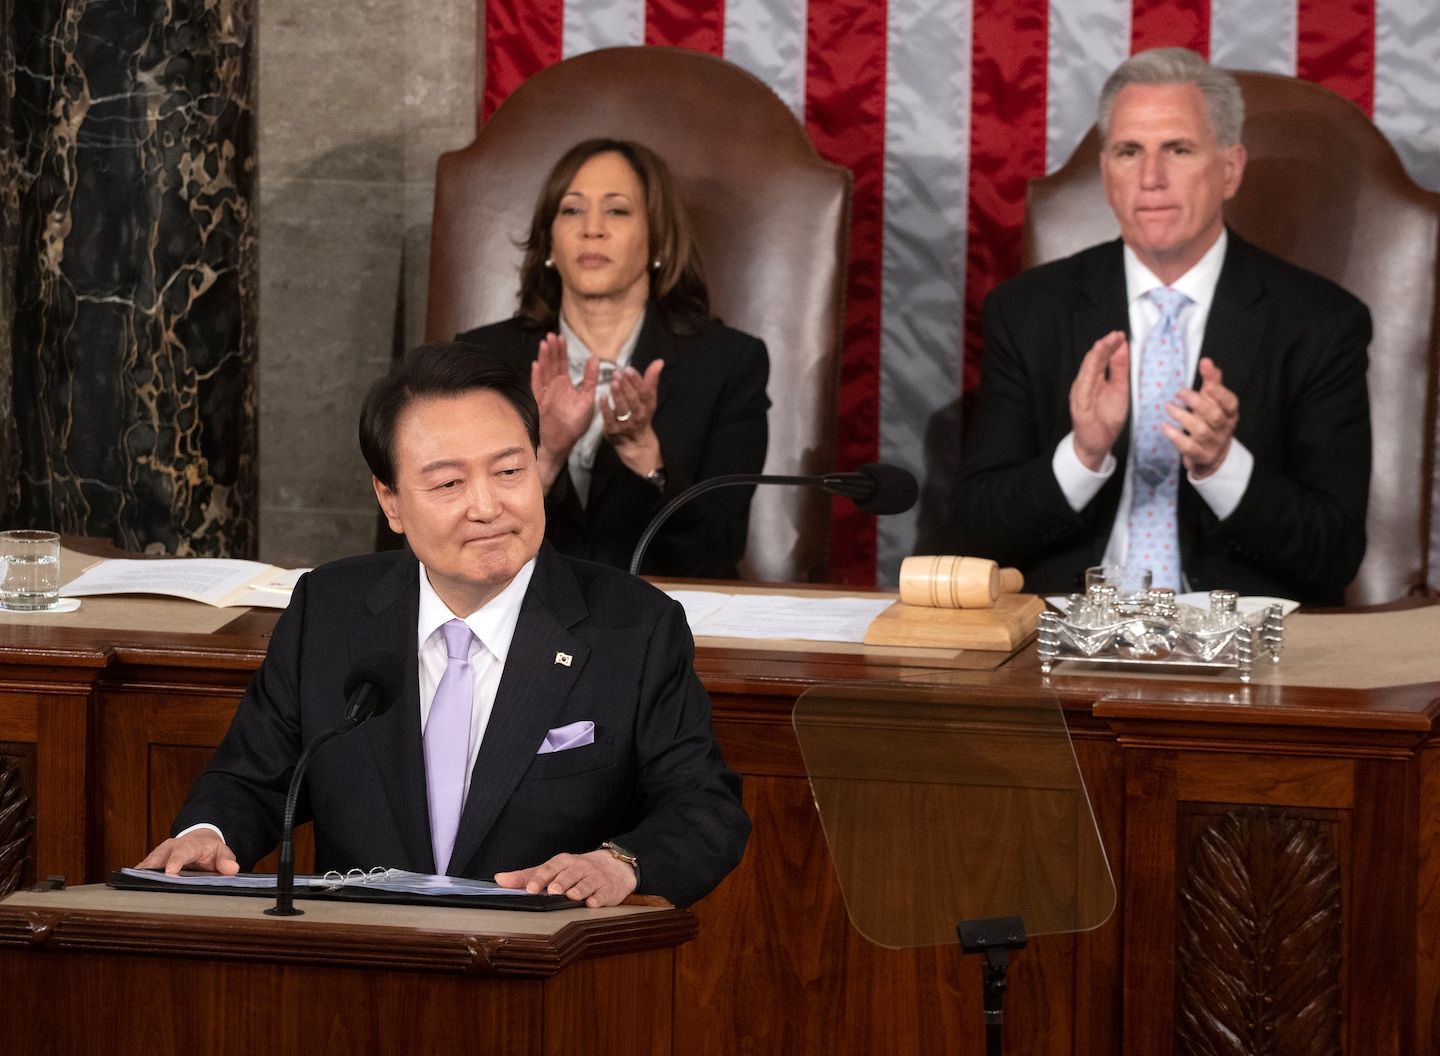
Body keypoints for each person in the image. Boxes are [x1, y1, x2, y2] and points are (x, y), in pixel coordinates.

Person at [138, 345, 750, 908]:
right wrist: (206, 832)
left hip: (547, 974)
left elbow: (704, 808)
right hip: (361, 972)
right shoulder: (329, 609)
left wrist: (620, 863)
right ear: (392, 502)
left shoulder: (634, 627)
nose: (487, 507)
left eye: (509, 472)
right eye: (449, 483)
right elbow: (252, 775)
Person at [952, 48, 1371, 605]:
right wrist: (1081, 456)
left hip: (1241, 650)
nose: (1150, 178)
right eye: (1129, 152)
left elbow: (1334, 554)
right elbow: (976, 531)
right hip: (1070, 643)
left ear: (1229, 169)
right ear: (1106, 174)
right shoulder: (1030, 311)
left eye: (1177, 149)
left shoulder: (1320, 323)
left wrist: (1223, 466)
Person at [457, 138, 770, 579]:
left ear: (658, 238)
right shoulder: (480, 359)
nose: (592, 228)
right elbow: (447, 540)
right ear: (550, 241)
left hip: (665, 617)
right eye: (571, 210)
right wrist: (544, 455)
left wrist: (646, 455)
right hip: (520, 616)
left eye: (617, 210)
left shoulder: (729, 363)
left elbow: (716, 550)